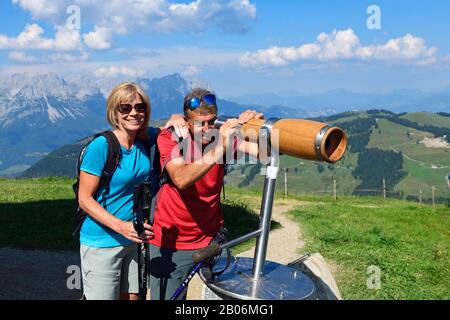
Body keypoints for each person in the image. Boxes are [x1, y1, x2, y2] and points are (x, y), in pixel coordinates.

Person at [149, 88, 264, 300]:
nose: (207, 128)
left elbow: (267, 151)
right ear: (185, 121)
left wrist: (258, 126)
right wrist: (220, 148)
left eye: (211, 122)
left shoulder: (219, 138)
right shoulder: (170, 138)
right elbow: (182, 179)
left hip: (211, 240)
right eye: (200, 123)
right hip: (171, 243)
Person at [77, 82, 185, 300]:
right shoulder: (102, 146)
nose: (134, 113)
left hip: (133, 239)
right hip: (102, 241)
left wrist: (176, 118)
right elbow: (84, 199)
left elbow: (170, 129)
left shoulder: (145, 141)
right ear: (114, 112)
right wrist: (121, 226)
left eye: (140, 107)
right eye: (125, 108)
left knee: (134, 298)